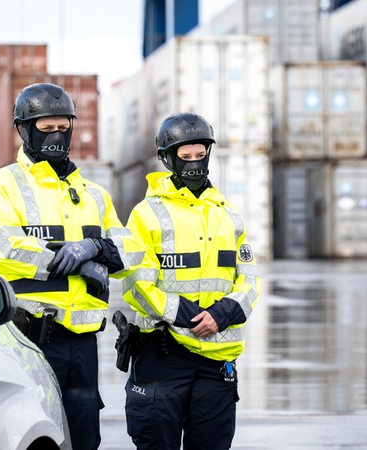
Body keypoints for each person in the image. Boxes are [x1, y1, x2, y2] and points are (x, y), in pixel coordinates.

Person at [0, 82, 143, 450]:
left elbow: (132, 252)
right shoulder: (3, 186)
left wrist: (94, 246)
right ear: (24, 130)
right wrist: (72, 263)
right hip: (28, 340)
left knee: (84, 439)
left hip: (83, 346)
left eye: (62, 128)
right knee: (32, 435)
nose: (55, 136)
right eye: (45, 128)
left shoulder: (95, 194)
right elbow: (4, 249)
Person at [120, 112, 261, 450]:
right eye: (185, 158)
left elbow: (250, 278)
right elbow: (137, 284)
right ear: (168, 159)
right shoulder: (146, 214)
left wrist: (222, 313)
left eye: (201, 155)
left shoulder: (229, 216)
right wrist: (188, 316)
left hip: (217, 362)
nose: (195, 164)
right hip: (163, 354)